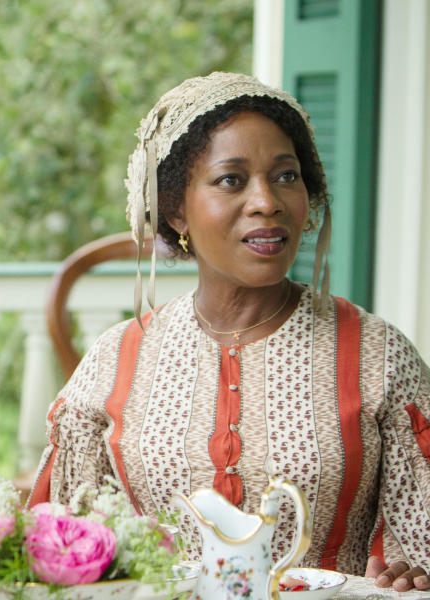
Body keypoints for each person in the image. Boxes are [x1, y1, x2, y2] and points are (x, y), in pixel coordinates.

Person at [28, 72, 430, 591]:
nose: (268, 201)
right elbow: (54, 546)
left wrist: (412, 574)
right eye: (231, 180)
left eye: (286, 176)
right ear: (176, 210)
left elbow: (419, 544)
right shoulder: (116, 360)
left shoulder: (378, 355)